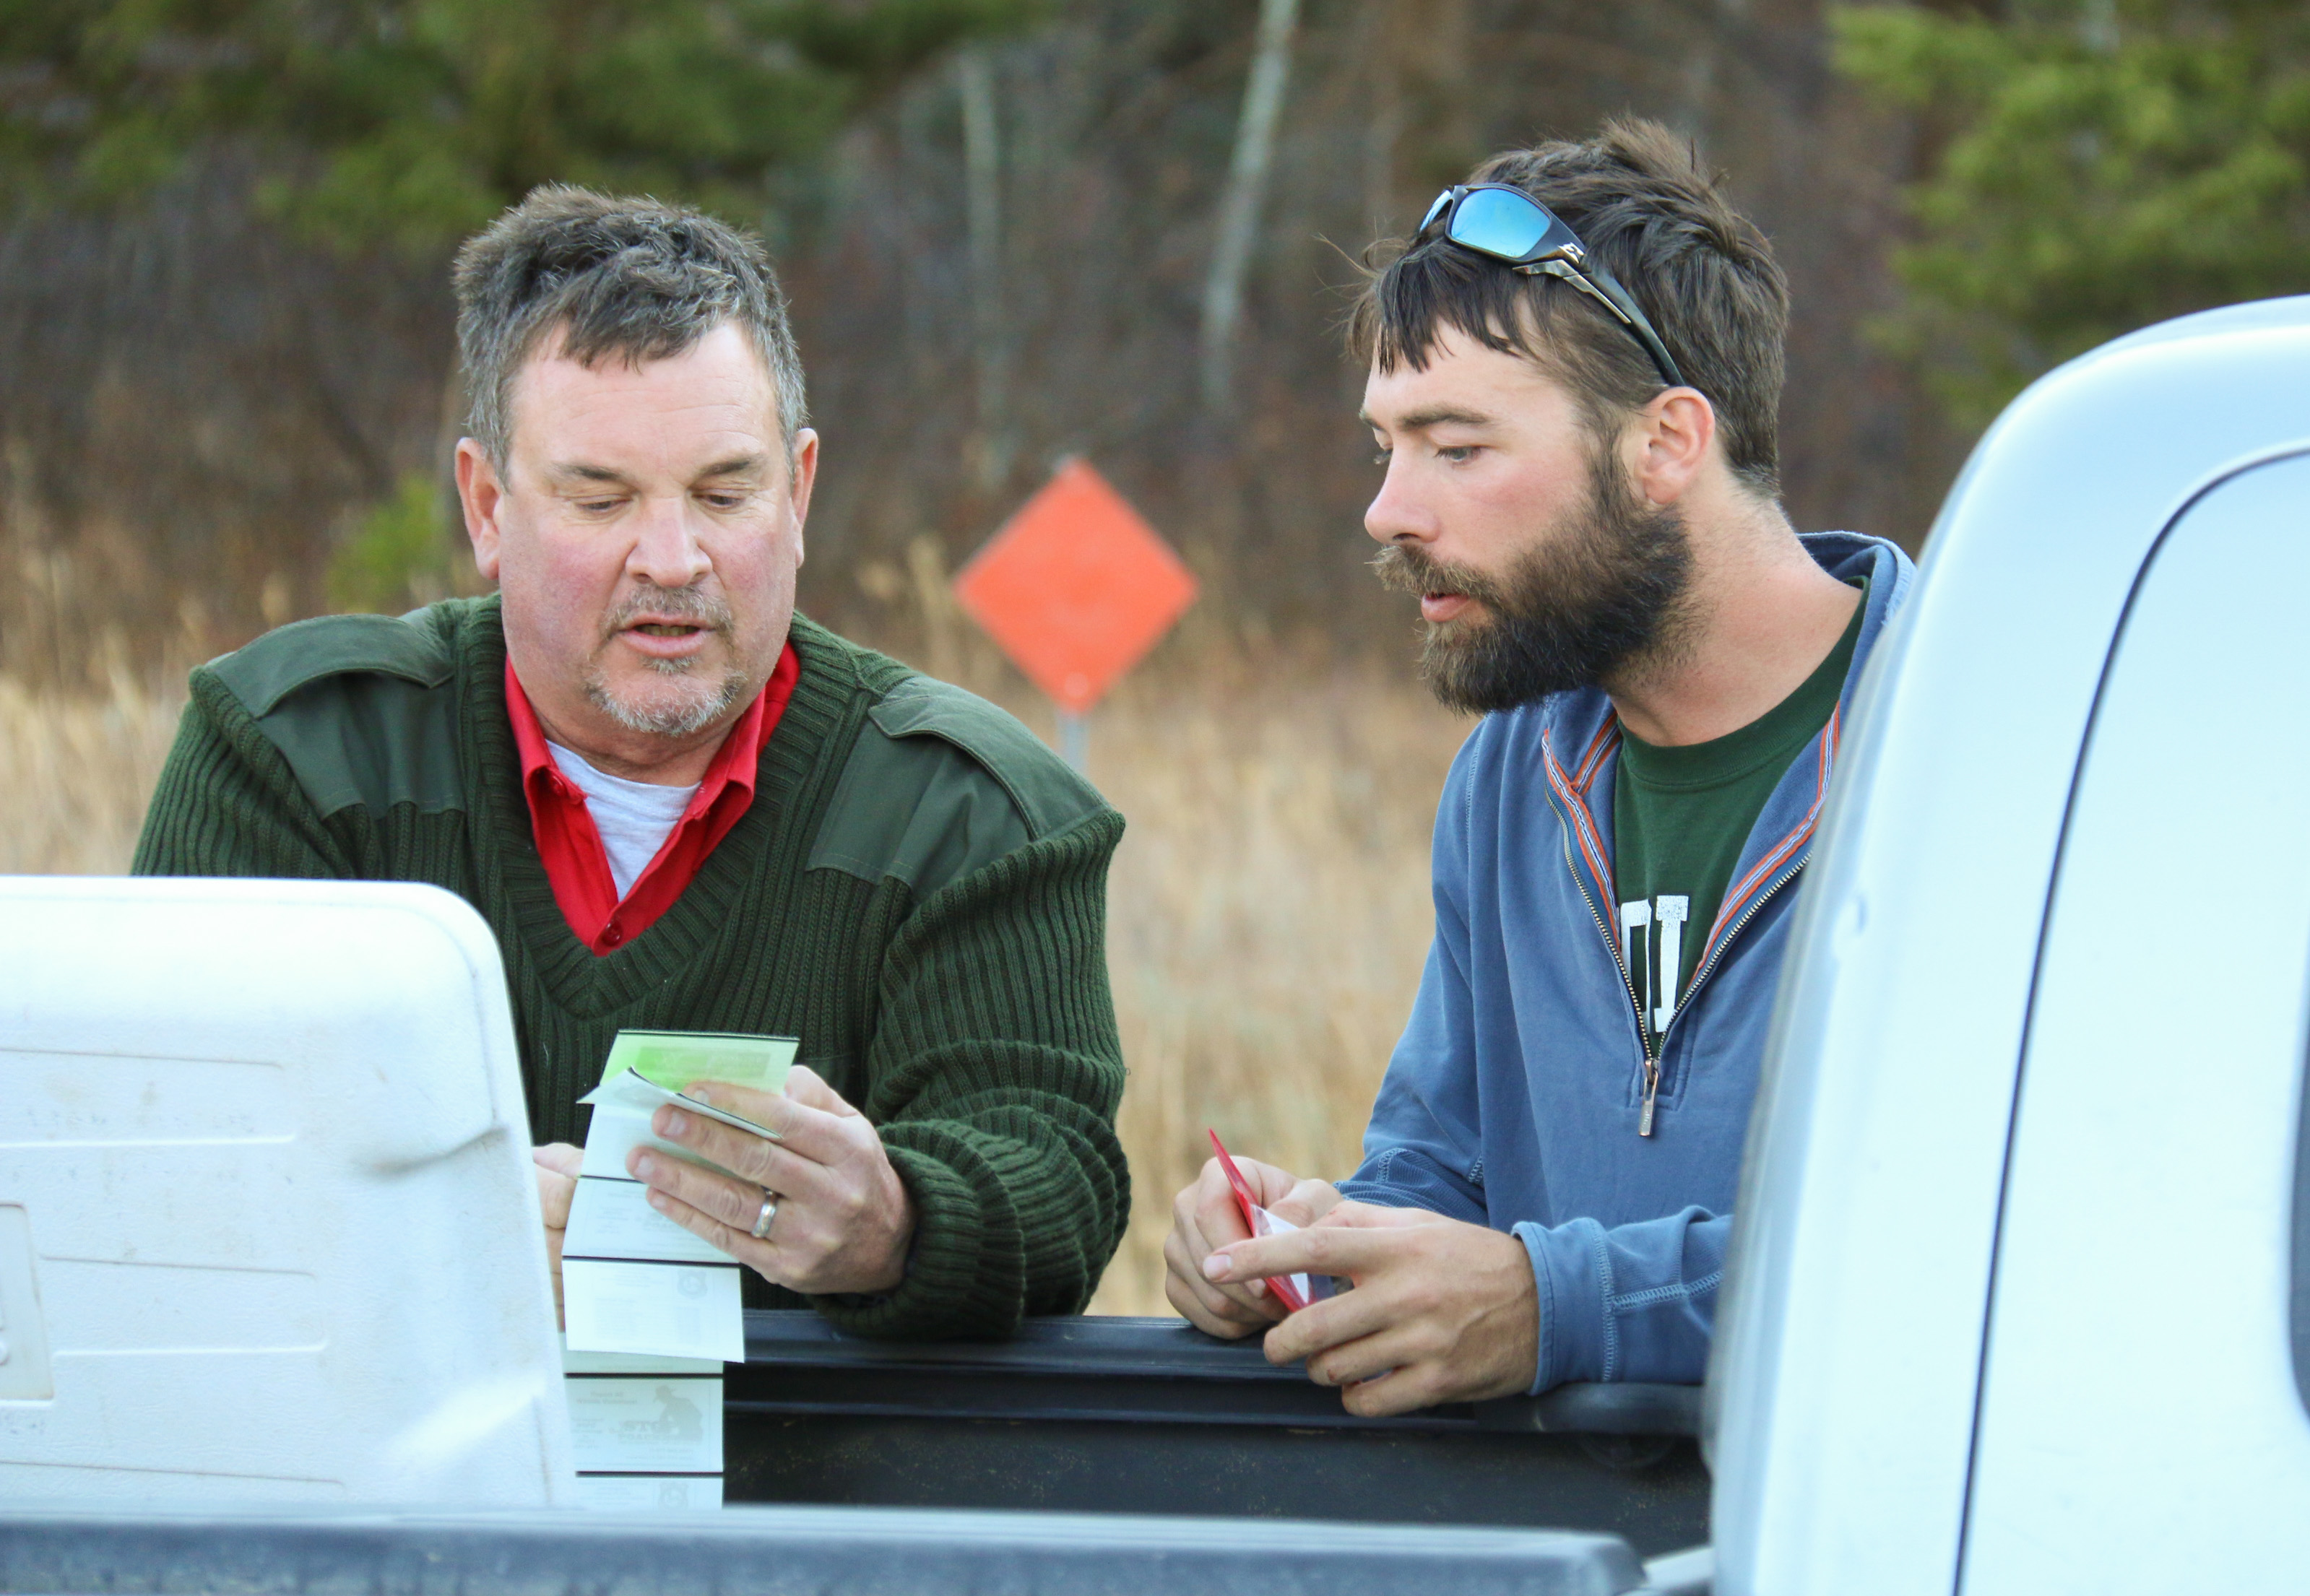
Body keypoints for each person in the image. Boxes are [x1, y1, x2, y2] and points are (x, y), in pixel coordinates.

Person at [134, 188, 1130, 1340]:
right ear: (486, 505)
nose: (672, 559)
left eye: (724, 491)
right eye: (599, 498)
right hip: (362, 1486)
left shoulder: (975, 809)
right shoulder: (295, 750)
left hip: (803, 1493)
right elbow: (159, 1164)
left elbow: (1059, 1186)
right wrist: (470, 1245)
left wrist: (898, 1222)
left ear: (799, 492)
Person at [1164, 120, 1913, 1413]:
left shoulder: (1985, 758)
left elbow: (1990, 1244)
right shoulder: (1515, 770)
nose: (1388, 510)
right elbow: (1443, 1169)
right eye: (1384, 446)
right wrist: (1316, 1246)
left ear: (1666, 444)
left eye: (1456, 448)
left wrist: (1553, 1306)